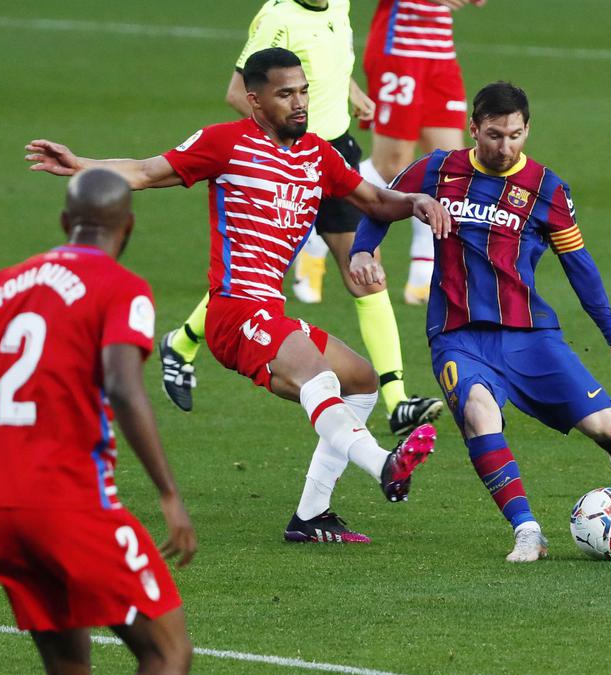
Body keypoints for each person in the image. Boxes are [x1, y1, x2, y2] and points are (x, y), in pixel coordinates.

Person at [26, 48, 444, 544]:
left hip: (272, 311)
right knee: (316, 376)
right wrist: (81, 166)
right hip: (235, 310)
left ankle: (311, 517)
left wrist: (414, 201)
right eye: (285, 94)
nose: (299, 103)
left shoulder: (317, 153)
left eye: (303, 91)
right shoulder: (225, 144)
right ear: (255, 100)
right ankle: (383, 465)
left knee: (360, 380)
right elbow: (143, 171)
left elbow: (373, 200)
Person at [350, 82, 611, 562]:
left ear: (527, 129)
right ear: (474, 129)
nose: (505, 146)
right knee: (477, 415)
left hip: (530, 334)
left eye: (514, 135)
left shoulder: (546, 188)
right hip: (457, 335)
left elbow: (579, 265)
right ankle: (527, 530)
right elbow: (380, 204)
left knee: (604, 425)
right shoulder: (438, 168)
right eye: (493, 135)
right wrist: (363, 249)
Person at [0, 169, 197, 675]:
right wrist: (169, 493)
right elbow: (124, 388)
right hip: (73, 508)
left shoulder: (5, 283)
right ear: (127, 228)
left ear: (64, 222)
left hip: (5, 514)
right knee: (167, 653)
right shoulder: (123, 287)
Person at [159, 0, 445, 440]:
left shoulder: (340, 6)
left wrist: (351, 92)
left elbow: (321, 67)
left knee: (366, 275)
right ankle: (182, 342)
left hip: (332, 157)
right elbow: (240, 91)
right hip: (290, 158)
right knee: (256, 271)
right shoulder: (277, 18)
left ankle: (396, 401)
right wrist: (277, 154)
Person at [358, 0, 485, 305]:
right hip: (399, 51)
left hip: (439, 56)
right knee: (392, 165)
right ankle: (323, 219)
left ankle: (424, 274)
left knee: (451, 169)